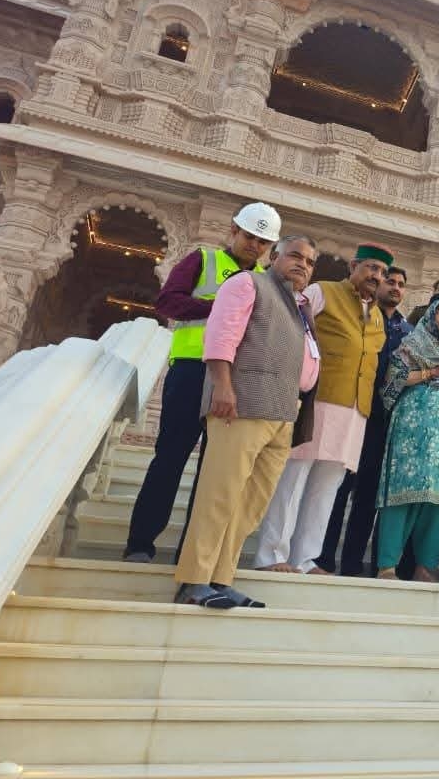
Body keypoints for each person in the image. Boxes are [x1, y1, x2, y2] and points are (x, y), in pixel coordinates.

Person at [124, 201, 280, 563]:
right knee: (170, 458)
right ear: (234, 231)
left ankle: (191, 554)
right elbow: (168, 303)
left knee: (215, 471)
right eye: (250, 236)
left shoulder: (265, 280)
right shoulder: (204, 261)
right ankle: (141, 544)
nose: (255, 246)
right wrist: (220, 306)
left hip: (235, 379)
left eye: (263, 242)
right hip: (193, 370)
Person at [172, 234, 319, 608]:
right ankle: (193, 580)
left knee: (250, 505)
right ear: (274, 256)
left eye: (311, 262)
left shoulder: (300, 307)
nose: (303, 265)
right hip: (241, 405)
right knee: (219, 495)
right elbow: (221, 336)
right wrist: (222, 385)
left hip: (282, 413)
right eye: (296, 256)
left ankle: (220, 578)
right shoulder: (247, 283)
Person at [253, 244, 389, 574]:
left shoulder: (378, 315)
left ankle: (305, 558)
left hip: (354, 411)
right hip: (318, 401)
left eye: (382, 272)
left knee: (327, 486)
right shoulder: (323, 291)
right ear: (353, 266)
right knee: (294, 478)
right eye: (371, 267)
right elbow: (290, 324)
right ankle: (272, 555)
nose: (376, 276)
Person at [376, 296, 439, 581]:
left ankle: (426, 565)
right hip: (413, 426)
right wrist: (435, 372)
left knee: (438, 499)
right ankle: (387, 565)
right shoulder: (412, 344)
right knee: (402, 493)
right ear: (431, 316)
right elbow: (393, 381)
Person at [319, 267, 412, 576]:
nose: (395, 287)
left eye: (401, 284)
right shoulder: (363, 315)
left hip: (383, 420)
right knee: (337, 484)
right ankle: (322, 556)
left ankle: (352, 562)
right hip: (351, 407)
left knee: (369, 494)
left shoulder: (407, 332)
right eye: (390, 281)